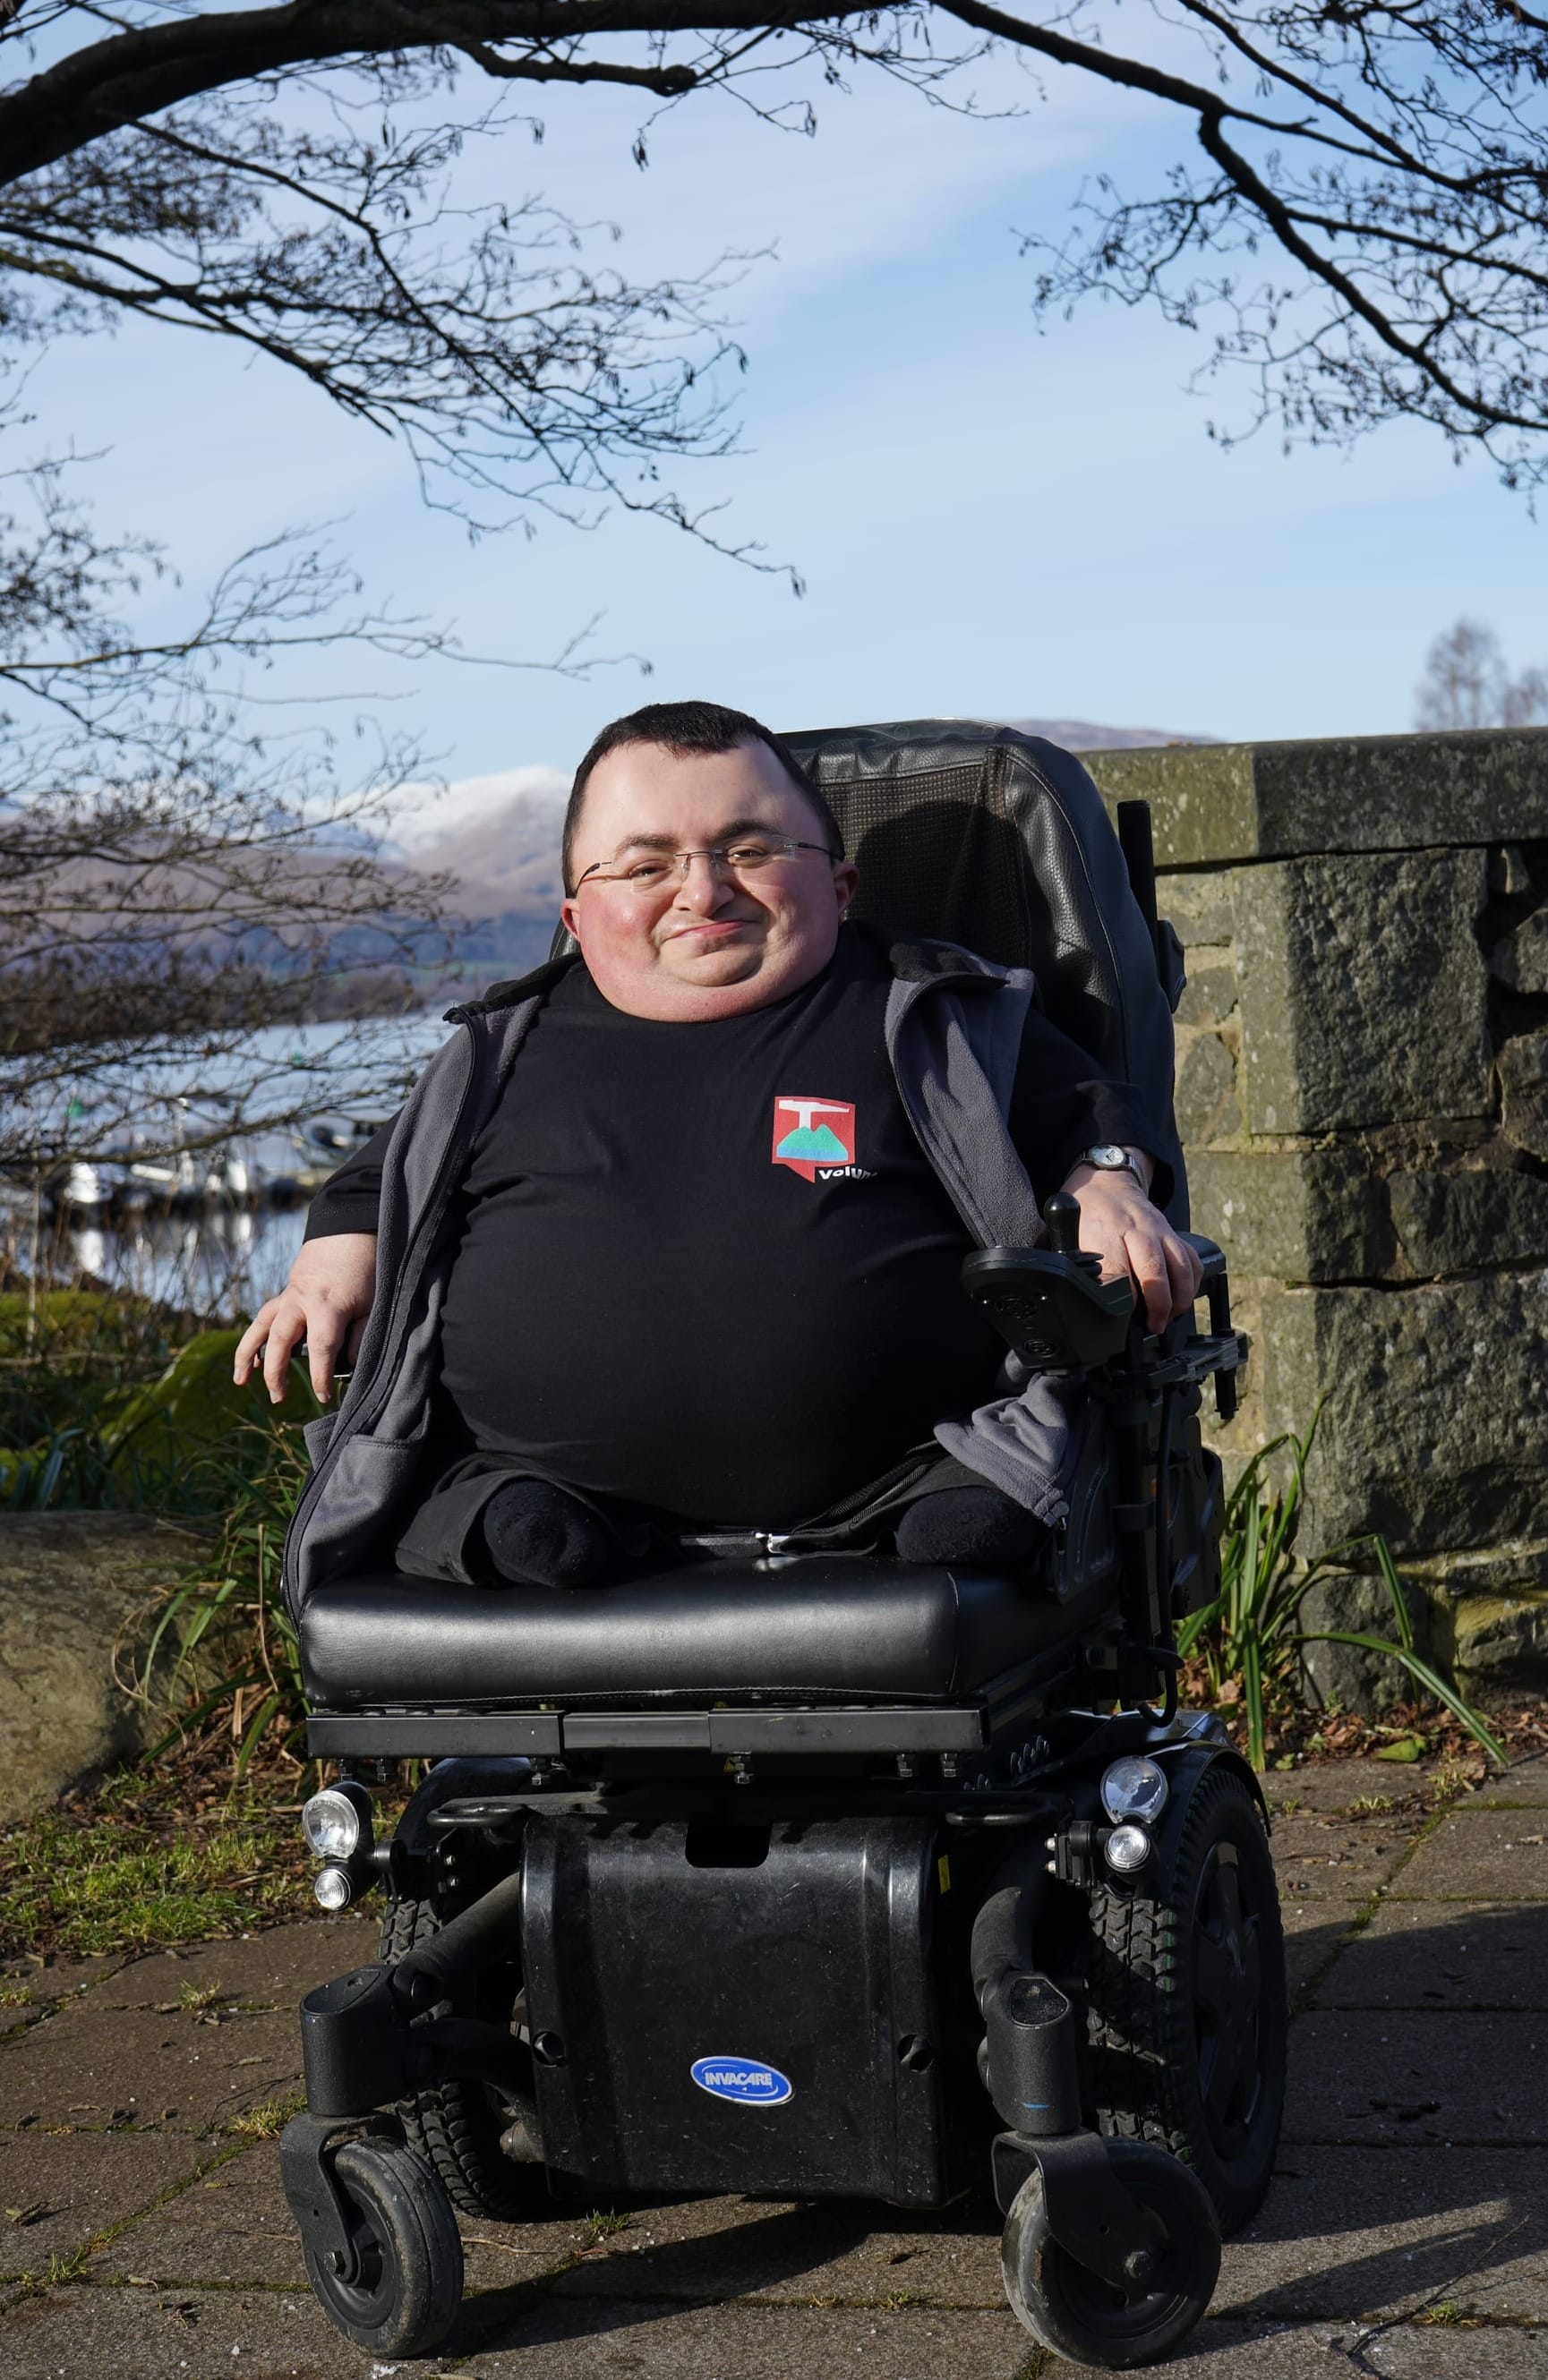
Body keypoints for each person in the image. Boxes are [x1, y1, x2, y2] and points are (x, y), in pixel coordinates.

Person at [239, 701, 1201, 1591]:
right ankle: (521, 1512)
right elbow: (382, 1178)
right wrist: (330, 1264)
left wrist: (1111, 1187)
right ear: (576, 916)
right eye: (646, 864)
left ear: (839, 881)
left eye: (749, 848)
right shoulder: (496, 1051)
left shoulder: (941, 1013)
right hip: (542, 1488)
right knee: (516, 1531)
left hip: (907, 1481)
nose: (702, 890)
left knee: (981, 1527)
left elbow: (1095, 1115)